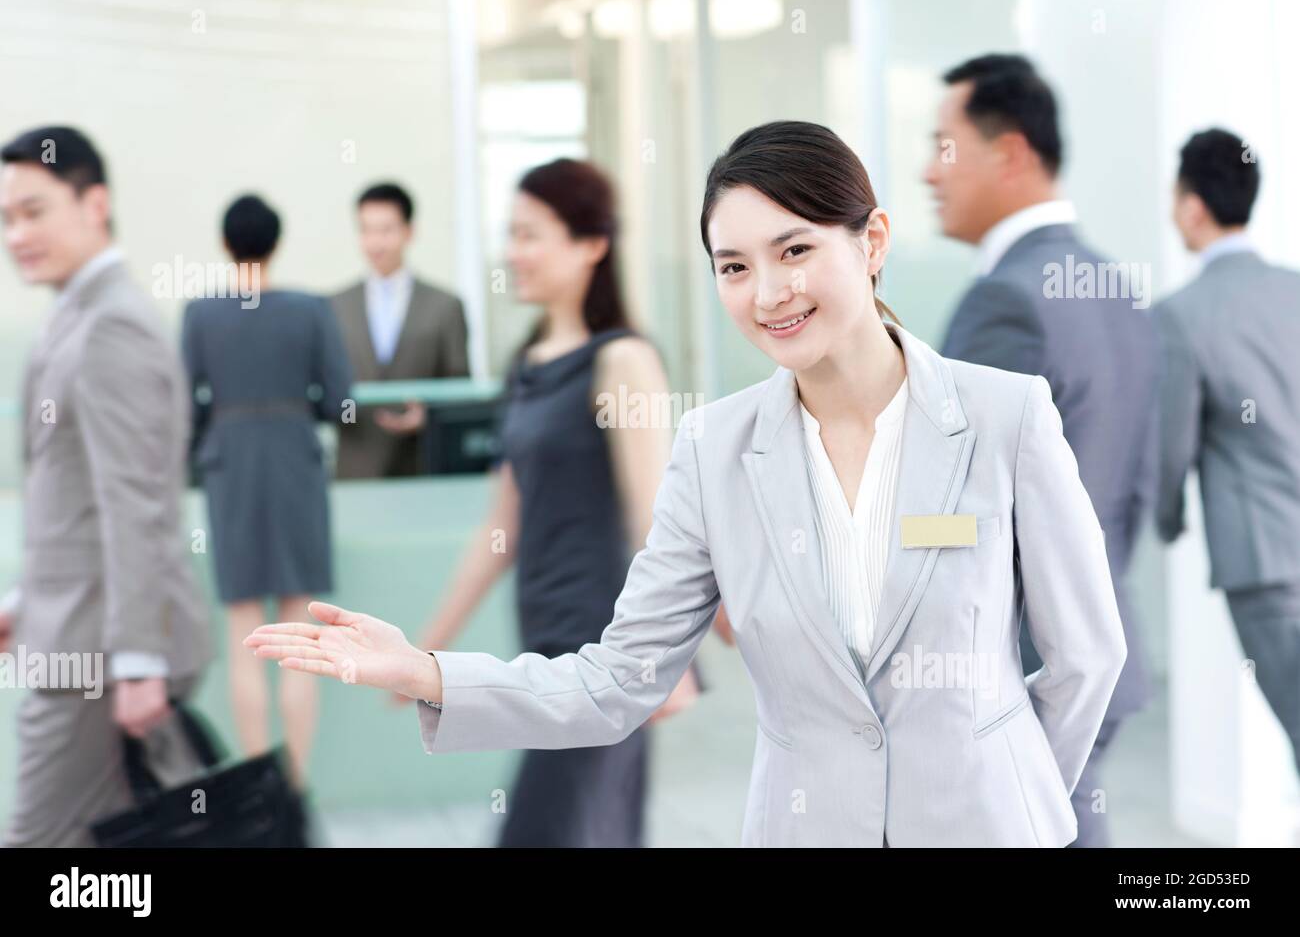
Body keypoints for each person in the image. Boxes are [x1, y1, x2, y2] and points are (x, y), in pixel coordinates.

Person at [245, 121, 1127, 848]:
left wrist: (1011, 801)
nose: (768, 292)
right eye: (734, 266)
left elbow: (1087, 657)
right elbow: (614, 680)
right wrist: (427, 670)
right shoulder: (715, 448)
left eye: (794, 250)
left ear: (873, 242)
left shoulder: (1004, 417)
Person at [394, 158, 702, 846]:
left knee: (554, 829)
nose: (514, 253)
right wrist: (427, 648)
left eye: (532, 234)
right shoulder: (528, 362)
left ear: (592, 244)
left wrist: (670, 655)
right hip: (546, 641)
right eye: (511, 234)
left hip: (605, 649)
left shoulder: (621, 360)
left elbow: (655, 517)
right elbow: (500, 527)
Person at [926, 53, 1159, 847]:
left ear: (1012, 153)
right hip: (1099, 648)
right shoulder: (1116, 286)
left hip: (1022, 670)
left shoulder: (1006, 300)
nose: (929, 171)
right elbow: (1135, 485)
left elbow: (966, 517)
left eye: (944, 146)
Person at [0, 126, 211, 846]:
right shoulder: (77, 315)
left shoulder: (113, 325)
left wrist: (140, 661)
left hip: (98, 656)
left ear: (96, 204)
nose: (16, 234)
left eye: (34, 210)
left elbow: (137, 505)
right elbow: (79, 499)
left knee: (39, 845)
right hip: (78, 635)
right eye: (6, 219)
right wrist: (28, 601)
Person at [182, 194, 352, 787]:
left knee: (244, 632)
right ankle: (296, 787)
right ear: (275, 243)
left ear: (226, 245)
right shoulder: (311, 310)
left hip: (230, 469)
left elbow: (186, 406)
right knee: (300, 635)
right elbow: (337, 399)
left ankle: (260, 792)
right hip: (295, 467)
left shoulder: (200, 315)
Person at [1155, 128, 1300, 773]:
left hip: (1266, 564)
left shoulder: (1181, 315)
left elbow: (1172, 444)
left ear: (1191, 207)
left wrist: (1163, 518)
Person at [330, 182, 469, 479]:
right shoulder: (335, 306)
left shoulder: (445, 306)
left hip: (421, 464)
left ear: (409, 232)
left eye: (386, 230)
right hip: (356, 467)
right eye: (366, 230)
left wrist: (428, 417)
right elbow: (325, 382)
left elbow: (461, 388)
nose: (375, 242)